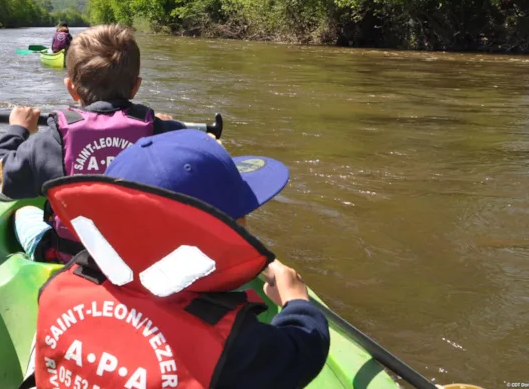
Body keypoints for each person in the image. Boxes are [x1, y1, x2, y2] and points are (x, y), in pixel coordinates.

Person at [25, 129, 330, 389]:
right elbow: (304, 351)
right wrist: (296, 302)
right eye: (243, 217)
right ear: (232, 229)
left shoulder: (62, 284)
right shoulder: (232, 344)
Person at [0, 24, 185, 262]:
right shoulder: (165, 134)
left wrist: (18, 130)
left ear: (71, 88)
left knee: (24, 212)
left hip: (72, 258)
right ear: (136, 87)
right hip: (144, 259)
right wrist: (170, 126)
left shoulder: (52, 141)